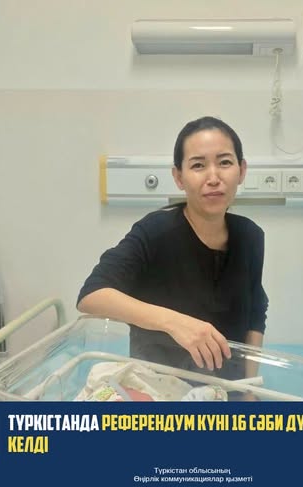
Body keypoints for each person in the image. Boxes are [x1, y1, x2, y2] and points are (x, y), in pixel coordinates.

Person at [77, 116, 268, 380]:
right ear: (179, 177)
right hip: (158, 384)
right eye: (198, 165)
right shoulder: (155, 232)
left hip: (226, 387)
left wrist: (248, 389)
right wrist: (175, 323)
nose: (214, 177)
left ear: (242, 170)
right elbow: (91, 296)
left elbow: (255, 315)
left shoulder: (250, 236)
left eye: (224, 162)